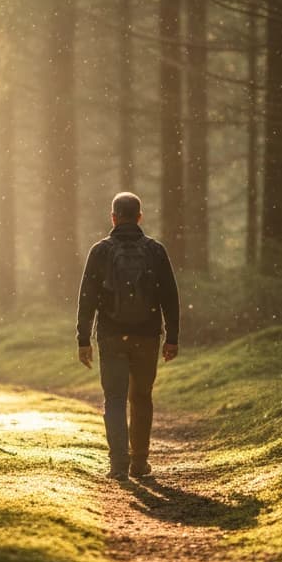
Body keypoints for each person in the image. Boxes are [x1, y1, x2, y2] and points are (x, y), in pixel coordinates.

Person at [75, 191, 180, 480]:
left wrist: (83, 340)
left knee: (115, 398)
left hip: (110, 335)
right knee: (142, 397)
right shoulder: (155, 250)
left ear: (113, 217)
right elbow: (170, 296)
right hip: (147, 335)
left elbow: (87, 297)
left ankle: (118, 465)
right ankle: (139, 462)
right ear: (139, 217)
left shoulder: (100, 251)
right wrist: (172, 337)